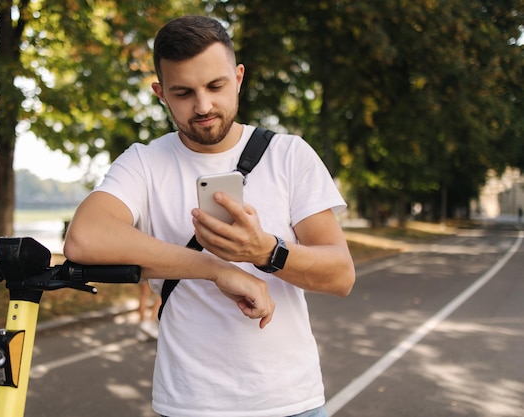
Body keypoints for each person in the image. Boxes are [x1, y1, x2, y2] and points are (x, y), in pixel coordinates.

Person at [64, 15, 355, 417]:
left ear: (238, 77)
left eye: (215, 86)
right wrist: (215, 268)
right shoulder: (144, 162)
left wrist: (266, 251)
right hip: (188, 405)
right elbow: (84, 238)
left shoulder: (289, 155)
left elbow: (341, 275)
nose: (202, 106)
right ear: (161, 93)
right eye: (183, 92)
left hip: (291, 403)